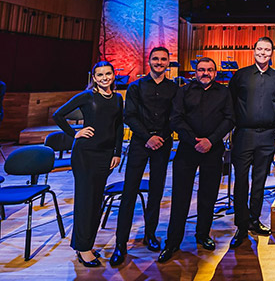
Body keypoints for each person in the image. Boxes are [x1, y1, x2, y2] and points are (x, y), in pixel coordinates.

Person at [158, 57, 234, 263]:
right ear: (195, 71)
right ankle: (172, 242)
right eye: (201, 70)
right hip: (187, 150)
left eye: (210, 70)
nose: (205, 73)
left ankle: (203, 235)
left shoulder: (224, 92)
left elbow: (229, 119)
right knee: (180, 196)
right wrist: (194, 141)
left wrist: (211, 140)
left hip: (213, 149)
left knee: (208, 196)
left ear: (215, 73)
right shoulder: (183, 91)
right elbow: (175, 118)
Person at [110, 47, 178, 266]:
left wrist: (162, 136)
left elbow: (175, 117)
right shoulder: (135, 86)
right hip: (140, 143)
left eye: (163, 59)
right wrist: (148, 137)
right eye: (155, 59)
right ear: (149, 61)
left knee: (156, 192)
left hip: (163, 144)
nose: (159, 62)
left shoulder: (174, 88)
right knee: (129, 192)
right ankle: (120, 244)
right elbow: (129, 115)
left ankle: (150, 234)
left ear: (168, 63)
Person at [53, 61, 124, 267]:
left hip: (105, 156)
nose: (104, 78)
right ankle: (83, 248)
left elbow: (119, 127)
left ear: (113, 75)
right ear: (94, 77)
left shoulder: (118, 99)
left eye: (108, 74)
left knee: (96, 201)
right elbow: (58, 115)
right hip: (85, 155)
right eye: (100, 75)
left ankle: (86, 244)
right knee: (86, 201)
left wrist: (117, 153)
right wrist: (75, 133)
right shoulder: (87, 96)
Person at [228, 37, 275, 248]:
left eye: (267, 49)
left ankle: (254, 219)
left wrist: (273, 128)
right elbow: (231, 103)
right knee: (241, 182)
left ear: (272, 53)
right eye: (260, 49)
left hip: (266, 136)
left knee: (260, 182)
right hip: (243, 135)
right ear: (254, 51)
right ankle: (241, 226)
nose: (263, 52)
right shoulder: (241, 75)